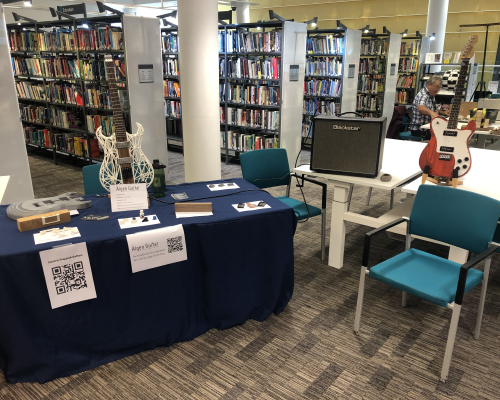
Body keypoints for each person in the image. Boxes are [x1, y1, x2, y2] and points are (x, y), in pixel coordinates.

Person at [408, 75, 450, 139]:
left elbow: (432, 109)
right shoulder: (423, 95)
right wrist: (431, 113)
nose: (437, 90)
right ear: (429, 85)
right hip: (419, 130)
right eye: (436, 87)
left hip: (427, 128)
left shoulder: (430, 95)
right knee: (444, 136)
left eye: (439, 88)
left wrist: (443, 113)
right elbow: (421, 108)